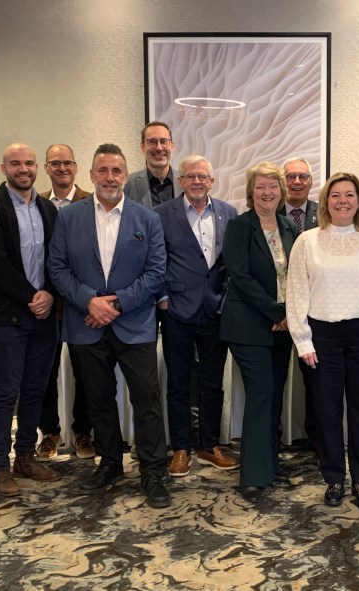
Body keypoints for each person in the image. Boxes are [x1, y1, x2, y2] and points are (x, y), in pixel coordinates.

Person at [48, 143, 172, 509]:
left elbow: (156, 272)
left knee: (146, 402)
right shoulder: (68, 218)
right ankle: (110, 463)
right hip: (86, 324)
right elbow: (57, 268)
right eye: (102, 171)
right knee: (99, 401)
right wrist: (88, 300)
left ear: (125, 175)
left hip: (134, 324)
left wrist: (115, 303)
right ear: (91, 175)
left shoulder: (146, 219)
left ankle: (152, 471)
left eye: (116, 171)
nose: (109, 178)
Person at [287, 172, 359, 509]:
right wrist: (303, 342)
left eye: (350, 195)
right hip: (323, 336)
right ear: (326, 202)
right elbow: (296, 293)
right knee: (327, 411)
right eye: (335, 195)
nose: (343, 201)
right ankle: (334, 478)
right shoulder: (307, 241)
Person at [0, 143, 61, 496]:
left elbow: (57, 258)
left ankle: (25, 456)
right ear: (3, 168)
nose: (23, 169)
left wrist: (50, 294)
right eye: (15, 164)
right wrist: (32, 297)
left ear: (36, 167)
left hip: (45, 317)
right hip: (9, 316)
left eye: (28, 163)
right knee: (5, 392)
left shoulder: (48, 208)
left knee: (35, 391)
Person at [154, 155, 239, 477]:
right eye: (190, 177)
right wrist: (162, 297)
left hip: (215, 311)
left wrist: (227, 298)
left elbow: (231, 262)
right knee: (177, 382)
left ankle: (209, 445)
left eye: (203, 177)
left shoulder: (228, 213)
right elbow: (156, 259)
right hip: (176, 310)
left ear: (212, 181)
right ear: (181, 181)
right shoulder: (162, 214)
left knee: (212, 383)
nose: (197, 182)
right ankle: (181, 448)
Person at [221, 161, 299, 504]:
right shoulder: (239, 227)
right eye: (260, 187)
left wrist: (289, 316)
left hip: (283, 327)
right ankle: (252, 475)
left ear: (281, 192)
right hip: (248, 324)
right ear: (251, 192)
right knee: (262, 393)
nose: (267, 193)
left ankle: (269, 465)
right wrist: (275, 312)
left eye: (273, 187)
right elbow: (240, 276)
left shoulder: (288, 226)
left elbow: (296, 274)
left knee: (273, 395)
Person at [36, 143, 94, 462]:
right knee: (45, 372)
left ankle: (82, 432)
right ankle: (50, 433)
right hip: (47, 305)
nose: (61, 168)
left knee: (85, 371)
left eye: (67, 163)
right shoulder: (37, 203)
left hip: (81, 303)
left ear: (75, 167)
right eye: (55, 163)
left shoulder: (91, 202)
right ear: (47, 168)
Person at [281, 156, 319, 449]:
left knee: (316, 381)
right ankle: (276, 437)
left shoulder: (326, 212)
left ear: (311, 181)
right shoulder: (267, 212)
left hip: (317, 311)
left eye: (302, 177)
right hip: (277, 311)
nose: (296, 182)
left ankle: (314, 437)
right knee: (274, 379)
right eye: (291, 176)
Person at [125, 121, 176, 209]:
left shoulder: (186, 182)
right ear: (143, 147)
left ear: (172, 146)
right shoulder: (127, 184)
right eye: (152, 142)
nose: (159, 148)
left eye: (164, 141)